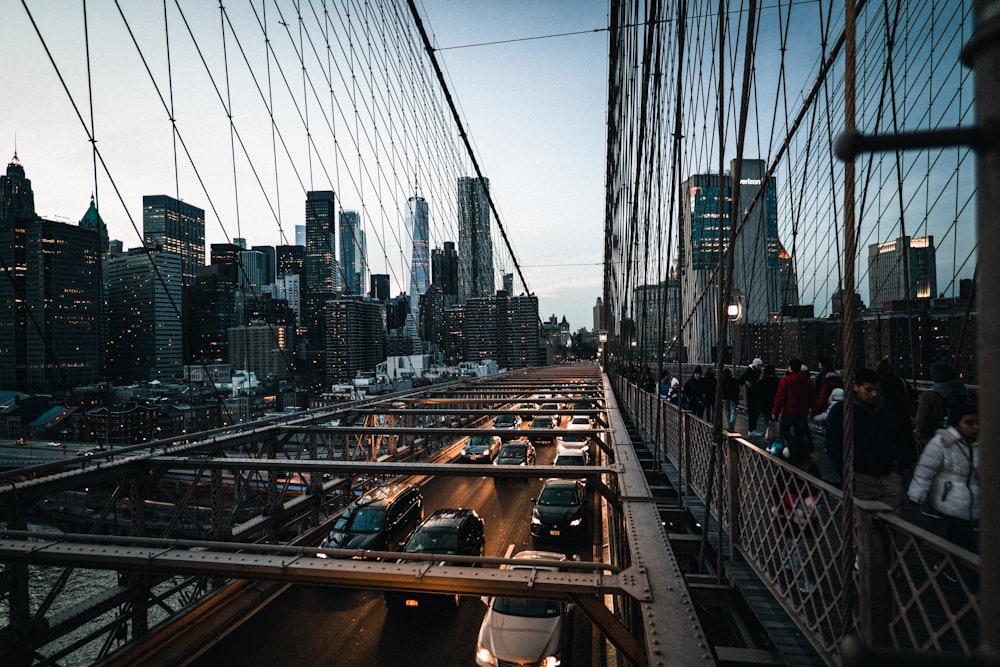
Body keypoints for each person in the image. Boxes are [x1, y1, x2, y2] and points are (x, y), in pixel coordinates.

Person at [825, 368, 917, 513]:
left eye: (877, 390)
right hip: (859, 477)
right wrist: (845, 473)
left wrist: (904, 466)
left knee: (889, 523)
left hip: (887, 476)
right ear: (855, 386)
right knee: (863, 526)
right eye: (868, 389)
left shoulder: (888, 409)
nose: (874, 394)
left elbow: (901, 438)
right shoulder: (841, 411)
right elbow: (833, 444)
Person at [907, 402, 979, 554]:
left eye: (978, 423)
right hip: (952, 498)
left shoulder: (983, 443)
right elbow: (926, 469)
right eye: (969, 423)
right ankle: (956, 567)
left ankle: (947, 565)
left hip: (974, 498)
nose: (975, 427)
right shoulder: (943, 442)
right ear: (957, 424)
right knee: (964, 537)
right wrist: (916, 494)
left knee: (957, 536)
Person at [915, 362, 971, 449]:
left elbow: (921, 424)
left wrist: (924, 440)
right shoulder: (968, 393)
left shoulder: (929, 396)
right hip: (966, 439)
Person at [772, 359, 814, 451]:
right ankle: (799, 450)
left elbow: (780, 397)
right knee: (800, 432)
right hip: (802, 411)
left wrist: (775, 412)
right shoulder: (808, 381)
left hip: (788, 411)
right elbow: (811, 397)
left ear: (791, 368)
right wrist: (814, 410)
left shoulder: (786, 380)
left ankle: (793, 446)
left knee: (783, 430)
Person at [755, 365, 780, 439]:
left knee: (767, 422)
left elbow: (758, 393)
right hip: (775, 404)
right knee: (775, 422)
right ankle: (774, 440)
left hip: (765, 405)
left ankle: (772, 442)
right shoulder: (778, 381)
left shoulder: (762, 381)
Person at [739, 358, 765, 434]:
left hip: (757, 395)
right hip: (752, 395)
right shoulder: (749, 372)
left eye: (761, 365)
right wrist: (746, 382)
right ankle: (751, 429)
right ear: (755, 365)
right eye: (758, 365)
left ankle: (753, 429)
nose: (760, 367)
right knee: (752, 412)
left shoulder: (758, 372)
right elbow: (740, 380)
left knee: (756, 413)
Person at [721, 368, 740, 432]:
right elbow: (737, 389)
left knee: (727, 412)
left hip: (725, 398)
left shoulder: (722, 381)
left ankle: (729, 425)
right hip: (732, 398)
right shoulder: (733, 380)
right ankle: (732, 422)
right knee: (733, 411)